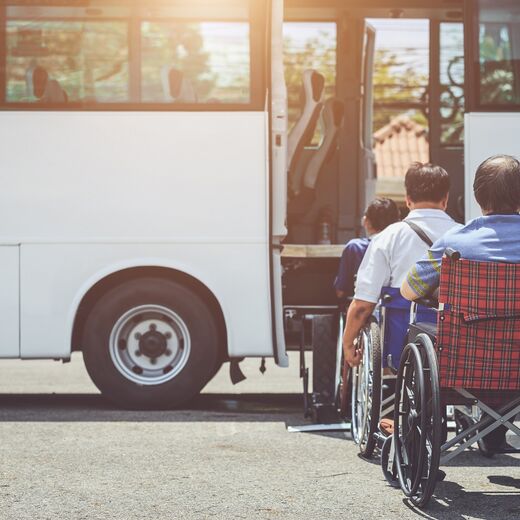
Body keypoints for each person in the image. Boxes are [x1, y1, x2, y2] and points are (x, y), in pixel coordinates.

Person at [401, 154, 520, 453]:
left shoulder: (455, 242)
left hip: (465, 366)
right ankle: (496, 430)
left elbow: (408, 290)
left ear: (477, 195)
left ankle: (428, 441)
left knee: (421, 331)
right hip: (516, 361)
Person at [343, 162, 461, 368]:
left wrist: (347, 344)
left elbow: (363, 305)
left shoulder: (388, 237)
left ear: (407, 200)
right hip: (454, 348)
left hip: (400, 348)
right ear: (445, 199)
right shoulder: (464, 236)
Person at [334, 197, 400, 300]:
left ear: (366, 222)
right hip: (395, 306)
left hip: (363, 308)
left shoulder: (355, 248)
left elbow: (340, 292)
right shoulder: (401, 246)